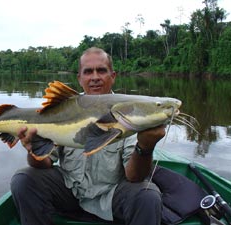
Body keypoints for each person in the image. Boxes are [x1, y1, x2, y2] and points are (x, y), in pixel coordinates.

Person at [11, 47, 166, 225]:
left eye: (101, 70)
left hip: (111, 196)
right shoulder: (63, 109)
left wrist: (145, 147)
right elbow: (45, 163)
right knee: (24, 179)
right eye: (88, 72)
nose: (94, 77)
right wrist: (33, 150)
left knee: (148, 196)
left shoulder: (129, 112)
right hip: (69, 191)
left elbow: (134, 177)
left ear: (112, 76)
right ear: (80, 78)